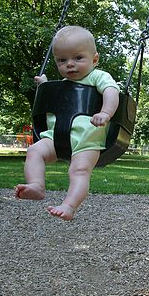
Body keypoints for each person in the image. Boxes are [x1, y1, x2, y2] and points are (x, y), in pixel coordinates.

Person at [15, 26, 120, 220]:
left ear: (94, 59)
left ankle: (69, 205)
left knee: (79, 170)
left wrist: (105, 113)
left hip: (86, 141)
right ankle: (36, 185)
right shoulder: (63, 83)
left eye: (78, 58)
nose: (69, 64)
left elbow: (111, 92)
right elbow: (52, 95)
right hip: (56, 136)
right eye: (62, 60)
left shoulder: (98, 76)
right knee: (34, 151)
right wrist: (45, 85)